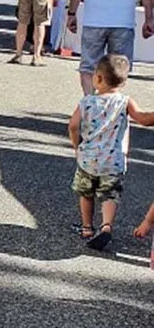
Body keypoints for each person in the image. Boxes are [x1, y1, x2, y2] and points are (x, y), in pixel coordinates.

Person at [68, 54, 154, 250]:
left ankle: (87, 227)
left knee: (86, 193)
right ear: (123, 82)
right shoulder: (124, 102)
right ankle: (106, 226)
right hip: (113, 161)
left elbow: (73, 125)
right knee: (110, 195)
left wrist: (77, 145)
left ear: (97, 78)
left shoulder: (87, 102)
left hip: (88, 159)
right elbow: (143, 118)